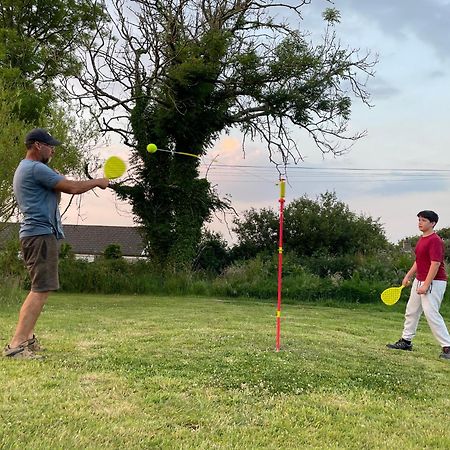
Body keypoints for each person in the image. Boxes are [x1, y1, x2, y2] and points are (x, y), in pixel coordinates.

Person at [3, 128, 110, 359]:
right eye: (50, 146)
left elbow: (55, 194)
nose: (53, 150)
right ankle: (16, 345)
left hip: (38, 235)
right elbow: (72, 188)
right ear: (38, 145)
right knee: (40, 290)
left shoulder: (28, 169)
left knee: (42, 288)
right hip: (39, 235)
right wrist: (98, 182)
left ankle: (28, 339)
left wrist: (55, 175)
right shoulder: (35, 168)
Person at [387, 210, 450, 360]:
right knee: (411, 310)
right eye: (419, 220)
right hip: (419, 280)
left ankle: (447, 347)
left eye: (423, 220)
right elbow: (419, 261)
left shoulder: (435, 240)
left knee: (431, 313)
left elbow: (435, 264)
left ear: (432, 223)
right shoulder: (422, 239)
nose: (420, 223)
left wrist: (426, 284)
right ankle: (406, 341)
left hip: (434, 281)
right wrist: (408, 276)